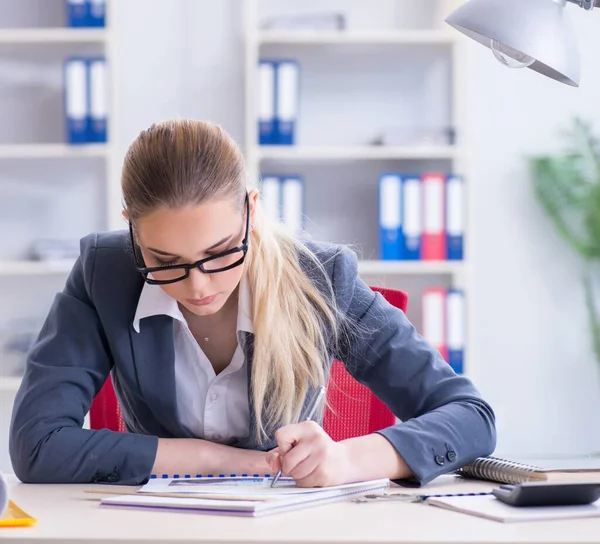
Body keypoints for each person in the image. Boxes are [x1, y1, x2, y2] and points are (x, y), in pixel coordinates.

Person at [9, 119, 496, 487]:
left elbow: (470, 416)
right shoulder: (104, 273)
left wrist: (348, 459)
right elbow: (37, 444)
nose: (197, 285)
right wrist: (209, 458)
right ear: (131, 228)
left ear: (252, 209)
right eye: (165, 260)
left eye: (219, 254)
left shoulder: (321, 278)